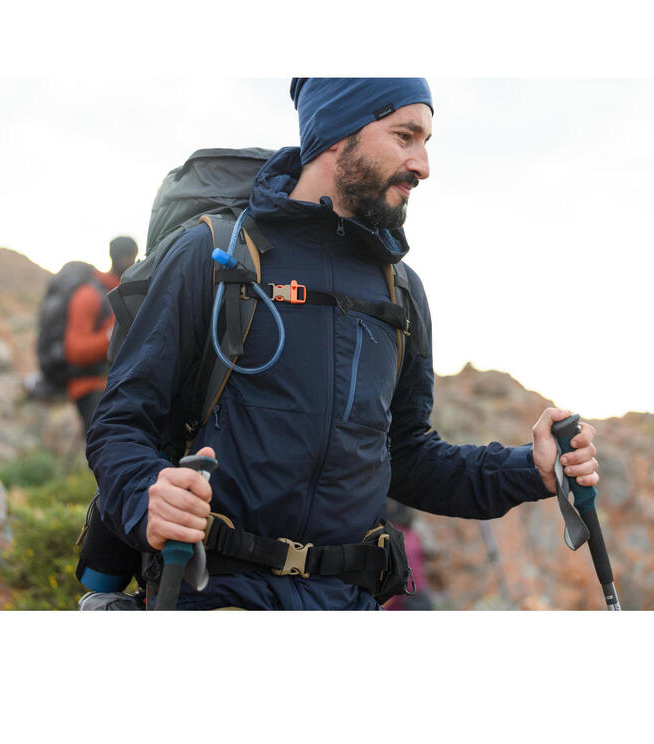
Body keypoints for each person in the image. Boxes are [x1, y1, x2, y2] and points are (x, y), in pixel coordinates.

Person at [86, 79, 600, 610]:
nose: (422, 165)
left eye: (426, 142)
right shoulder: (212, 254)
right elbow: (121, 424)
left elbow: (406, 457)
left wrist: (531, 469)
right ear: (336, 133)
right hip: (213, 594)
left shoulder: (400, 290)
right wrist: (147, 496)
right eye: (405, 136)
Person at [66, 236, 137, 434]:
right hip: (89, 387)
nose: (132, 262)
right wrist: (110, 337)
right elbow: (75, 351)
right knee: (107, 450)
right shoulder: (88, 295)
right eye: (130, 257)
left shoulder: (125, 292)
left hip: (111, 386)